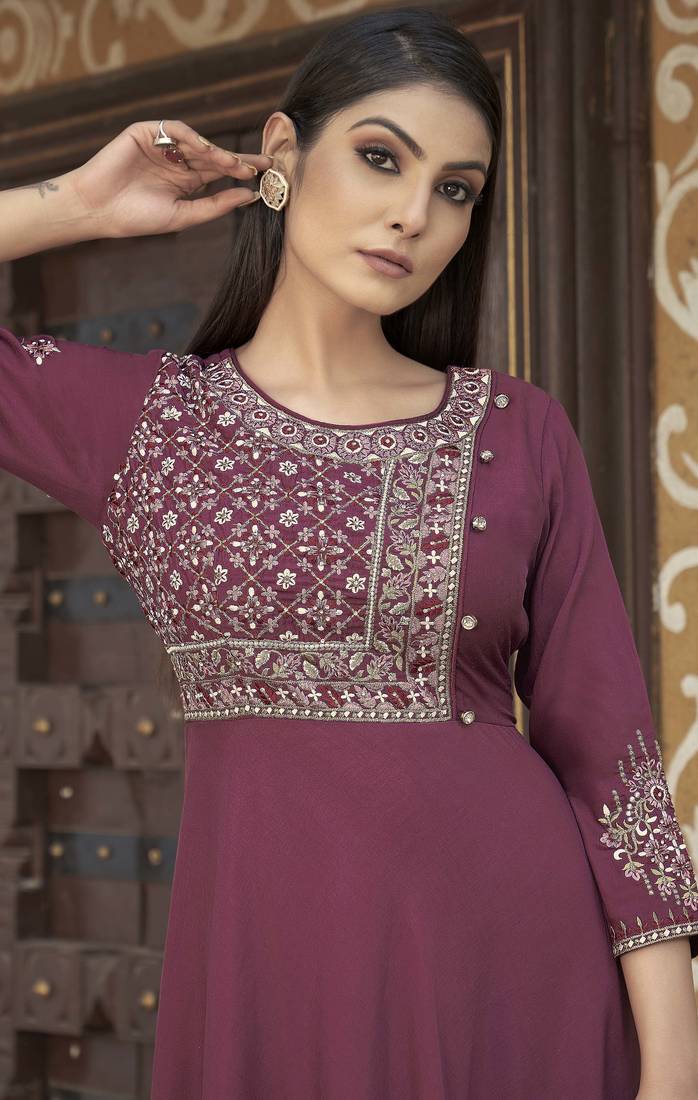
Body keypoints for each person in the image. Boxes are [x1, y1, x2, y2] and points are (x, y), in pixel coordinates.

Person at [1, 8, 697, 1098]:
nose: (413, 213)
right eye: (381, 157)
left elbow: (608, 758)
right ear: (283, 152)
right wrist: (77, 205)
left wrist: (675, 1069)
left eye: (455, 188)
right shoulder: (151, 424)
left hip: (518, 982)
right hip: (269, 974)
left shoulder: (517, 430)